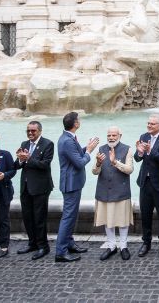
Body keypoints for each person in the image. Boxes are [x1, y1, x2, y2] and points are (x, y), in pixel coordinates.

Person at [55, 111, 99, 262]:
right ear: (75, 123)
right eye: (78, 120)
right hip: (71, 184)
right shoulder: (67, 141)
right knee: (68, 217)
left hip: (72, 183)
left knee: (71, 216)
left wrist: (87, 147)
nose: (79, 121)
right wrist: (89, 152)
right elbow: (80, 162)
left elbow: (76, 153)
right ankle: (60, 252)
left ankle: (69, 244)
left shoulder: (68, 137)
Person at [14, 121, 54, 260]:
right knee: (27, 218)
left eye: (33, 131)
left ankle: (43, 246)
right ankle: (32, 243)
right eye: (28, 131)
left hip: (40, 188)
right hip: (25, 187)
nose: (30, 133)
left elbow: (45, 165)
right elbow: (17, 165)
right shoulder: (24, 144)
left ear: (40, 131)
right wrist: (20, 160)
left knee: (39, 218)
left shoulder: (48, 144)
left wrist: (28, 158)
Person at [92, 126, 134, 261]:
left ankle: (123, 246)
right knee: (107, 220)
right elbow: (94, 172)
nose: (111, 138)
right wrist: (98, 163)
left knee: (122, 221)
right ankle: (111, 246)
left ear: (120, 136)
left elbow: (130, 169)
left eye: (114, 135)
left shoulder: (127, 149)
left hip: (121, 191)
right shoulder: (101, 149)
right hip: (104, 191)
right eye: (109, 135)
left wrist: (115, 162)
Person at [135, 114, 159, 257]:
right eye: (148, 123)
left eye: (152, 124)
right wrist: (139, 153)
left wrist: (150, 151)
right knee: (145, 214)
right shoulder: (143, 136)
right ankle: (146, 242)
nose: (149, 125)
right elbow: (137, 158)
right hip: (145, 182)